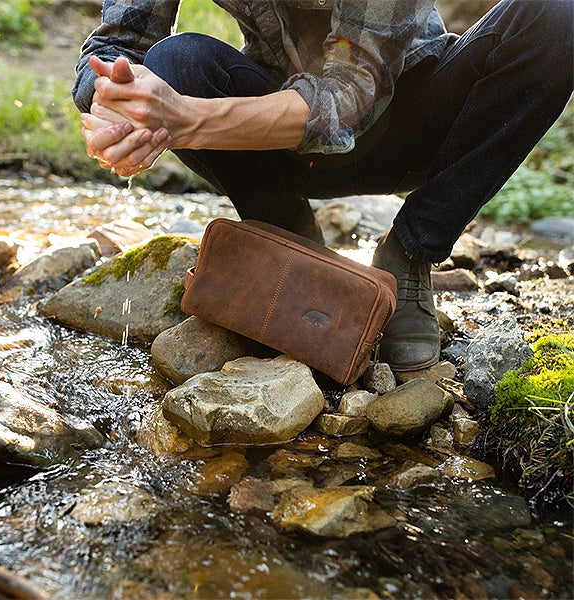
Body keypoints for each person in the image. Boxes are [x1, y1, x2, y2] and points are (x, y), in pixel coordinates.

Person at [74, 0, 573, 372]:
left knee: (558, 12)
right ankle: (291, 241)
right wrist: (117, 105)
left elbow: (350, 93)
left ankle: (410, 250)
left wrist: (185, 120)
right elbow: (115, 44)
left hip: (411, 122)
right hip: (278, 143)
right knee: (177, 61)